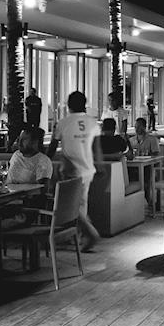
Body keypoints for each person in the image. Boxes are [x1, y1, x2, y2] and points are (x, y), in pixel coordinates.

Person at [47, 91, 101, 251]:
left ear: (68, 105)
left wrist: (44, 161)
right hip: (88, 169)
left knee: (70, 205)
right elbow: (97, 149)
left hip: (70, 169)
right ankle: (78, 237)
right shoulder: (93, 123)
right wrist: (100, 167)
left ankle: (89, 232)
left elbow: (52, 147)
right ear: (84, 104)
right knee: (81, 203)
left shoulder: (63, 123)